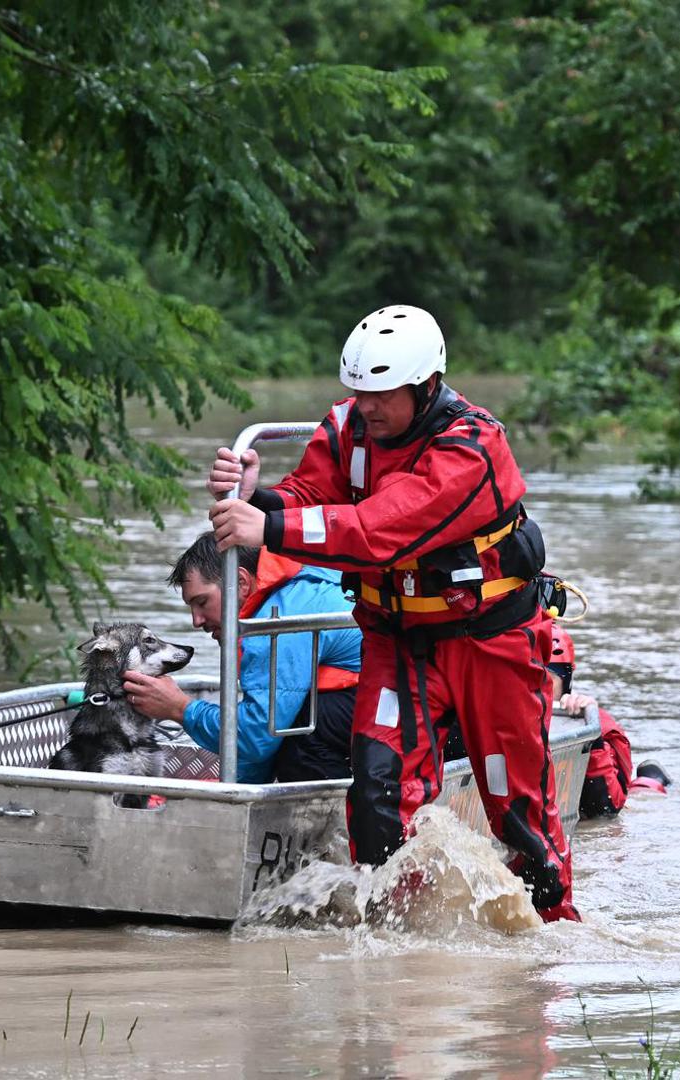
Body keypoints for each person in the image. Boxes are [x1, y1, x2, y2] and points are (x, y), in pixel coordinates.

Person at [205, 304, 580, 922]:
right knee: (377, 790)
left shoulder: (473, 448)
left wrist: (267, 525)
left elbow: (383, 529)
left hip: (491, 643)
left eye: (382, 394)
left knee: (518, 808)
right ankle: (392, 943)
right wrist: (260, 494)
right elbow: (313, 494)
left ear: (426, 385)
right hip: (399, 640)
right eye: (359, 392)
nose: (367, 406)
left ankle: (548, 948)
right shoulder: (348, 428)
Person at [123, 532, 362, 783]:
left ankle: (322, 819)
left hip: (390, 710)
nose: (197, 621)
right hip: (392, 700)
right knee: (287, 720)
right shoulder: (301, 579)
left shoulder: (275, 624)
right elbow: (258, 742)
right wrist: (233, 794)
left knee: (302, 729)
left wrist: (180, 708)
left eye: (202, 602)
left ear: (241, 582)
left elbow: (256, 736)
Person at [544, 623, 671, 815]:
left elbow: (606, 809)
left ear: (566, 683)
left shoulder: (587, 722)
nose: (532, 691)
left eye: (545, 679)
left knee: (640, 799)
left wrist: (589, 732)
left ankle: (651, 780)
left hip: (611, 795)